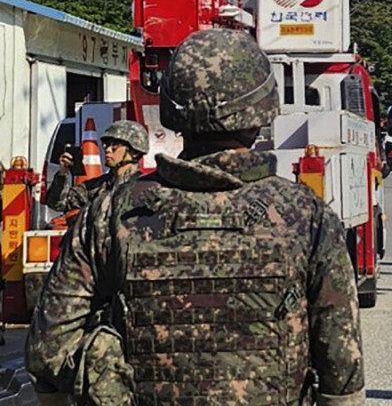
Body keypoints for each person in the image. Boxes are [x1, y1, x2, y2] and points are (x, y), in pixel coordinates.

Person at [26, 28, 365, 405]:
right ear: (263, 109)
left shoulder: (110, 212)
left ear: (172, 108)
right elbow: (342, 367)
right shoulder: (307, 215)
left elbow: (47, 349)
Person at [46, 120, 148, 213]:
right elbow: (58, 204)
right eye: (106, 145)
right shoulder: (96, 187)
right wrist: (62, 174)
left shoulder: (146, 188)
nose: (108, 150)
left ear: (134, 152)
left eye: (114, 145)